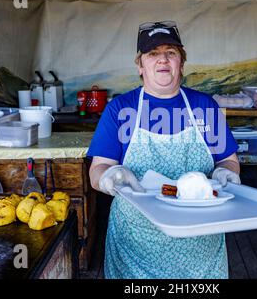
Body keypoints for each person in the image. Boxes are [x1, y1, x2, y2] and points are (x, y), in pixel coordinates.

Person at [87, 21, 241, 279]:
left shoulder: (204, 106)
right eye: (153, 54)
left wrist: (226, 173)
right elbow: (98, 168)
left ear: (181, 62)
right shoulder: (120, 109)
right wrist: (107, 177)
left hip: (199, 243)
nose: (163, 60)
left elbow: (228, 160)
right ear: (140, 65)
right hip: (136, 244)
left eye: (171, 52)